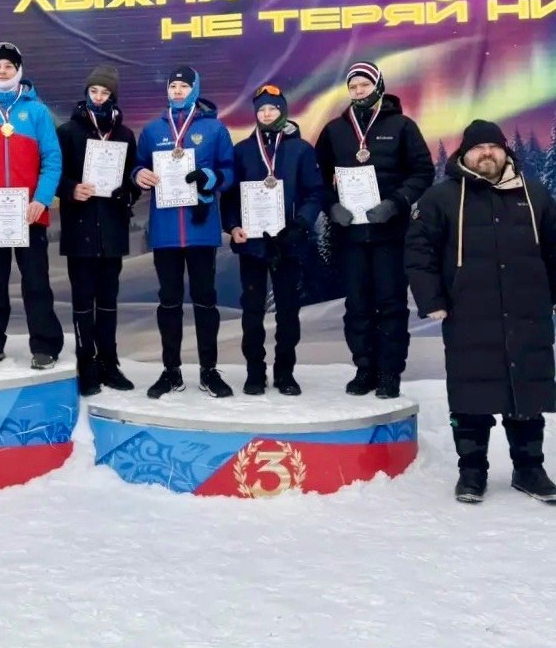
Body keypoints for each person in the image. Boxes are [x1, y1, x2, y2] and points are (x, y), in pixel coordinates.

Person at [406, 120, 556, 504]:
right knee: (471, 396)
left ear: (505, 152)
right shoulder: (440, 198)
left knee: (526, 394)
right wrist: (433, 300)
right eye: (478, 148)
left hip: (527, 314)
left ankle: (529, 469)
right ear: (464, 154)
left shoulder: (534, 194)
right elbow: (418, 253)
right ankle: (472, 471)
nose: (486, 153)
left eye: (494, 147)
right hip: (468, 313)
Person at [316, 61, 433, 399]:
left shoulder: (402, 126)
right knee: (357, 305)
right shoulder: (335, 130)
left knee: (392, 304)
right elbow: (316, 177)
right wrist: (331, 206)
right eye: (353, 87)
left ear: (378, 86)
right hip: (351, 236)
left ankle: (389, 373)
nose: (358, 92)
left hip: (390, 235)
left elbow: (422, 172)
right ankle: (364, 368)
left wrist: (395, 203)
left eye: (364, 85)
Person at [133, 66, 235, 399]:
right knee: (169, 303)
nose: (177, 91)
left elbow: (229, 171)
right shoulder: (152, 130)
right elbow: (137, 164)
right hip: (164, 232)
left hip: (202, 229)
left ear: (194, 89)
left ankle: (209, 371)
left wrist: (210, 177)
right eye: (173, 86)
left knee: (206, 301)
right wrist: (139, 175)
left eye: (183, 86)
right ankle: (171, 371)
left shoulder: (213, 128)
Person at [0, 42, 64, 370]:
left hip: (30, 214)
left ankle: (45, 346)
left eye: (9, 66)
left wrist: (41, 200)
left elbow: (52, 160)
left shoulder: (37, 112)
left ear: (19, 70)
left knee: (36, 281)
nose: (3, 71)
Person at [221, 84, 323, 396]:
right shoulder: (242, 151)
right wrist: (233, 226)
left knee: (288, 311)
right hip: (252, 244)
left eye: (272, 108)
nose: (267, 114)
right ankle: (255, 373)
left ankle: (285, 373)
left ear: (283, 110)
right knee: (251, 310)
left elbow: (315, 192)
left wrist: (301, 223)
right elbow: (229, 196)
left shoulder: (301, 149)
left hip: (288, 242)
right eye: (261, 109)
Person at [54, 64, 140, 396]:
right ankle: (85, 364)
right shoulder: (68, 132)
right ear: (86, 93)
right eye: (94, 91)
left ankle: (109, 362)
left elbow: (134, 178)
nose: (99, 97)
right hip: (80, 228)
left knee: (108, 300)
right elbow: (51, 175)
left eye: (105, 93)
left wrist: (127, 192)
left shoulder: (124, 135)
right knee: (82, 300)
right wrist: (71, 188)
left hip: (113, 230)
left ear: (113, 97)